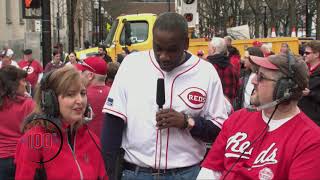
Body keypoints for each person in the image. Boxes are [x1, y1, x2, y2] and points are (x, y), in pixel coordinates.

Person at [101, 12, 228, 180]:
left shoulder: (205, 72)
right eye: (158, 48)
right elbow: (112, 123)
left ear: (186, 44)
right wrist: (109, 173)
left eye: (172, 50)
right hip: (137, 172)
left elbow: (220, 131)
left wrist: (186, 122)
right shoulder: (132, 64)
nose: (163, 56)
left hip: (186, 173)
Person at [198, 54, 320, 180]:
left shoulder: (310, 139)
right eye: (256, 73)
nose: (253, 80)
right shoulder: (238, 118)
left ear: (284, 90)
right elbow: (212, 169)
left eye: (261, 77)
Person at [15, 66, 107, 179]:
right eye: (70, 94)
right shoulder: (34, 141)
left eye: (82, 93)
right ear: (50, 100)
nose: (80, 101)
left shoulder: (91, 139)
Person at [0, 65, 35, 180]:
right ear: (14, 84)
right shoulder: (28, 104)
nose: (25, 84)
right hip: (23, 158)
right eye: (23, 81)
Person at [75, 56, 110, 137]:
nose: (80, 74)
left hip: (87, 145)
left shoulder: (80, 96)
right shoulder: (114, 93)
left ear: (90, 75)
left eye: (82, 71)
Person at [207, 37, 239, 104]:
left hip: (210, 108)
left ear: (213, 49)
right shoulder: (231, 67)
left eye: (209, 48)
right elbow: (236, 90)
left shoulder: (208, 67)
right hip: (228, 108)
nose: (207, 50)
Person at [298, 40, 320, 126]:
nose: (304, 55)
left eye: (307, 53)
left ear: (316, 54)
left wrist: (310, 93)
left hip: (315, 120)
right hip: (303, 116)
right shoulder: (304, 69)